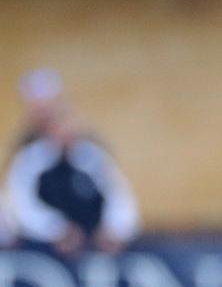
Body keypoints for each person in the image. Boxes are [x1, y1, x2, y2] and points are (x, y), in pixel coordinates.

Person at [4, 75, 139, 257]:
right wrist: (57, 230)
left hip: (93, 248)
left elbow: (117, 194)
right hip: (41, 249)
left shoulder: (92, 155)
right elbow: (19, 203)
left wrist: (114, 229)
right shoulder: (28, 158)